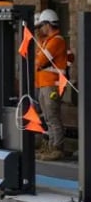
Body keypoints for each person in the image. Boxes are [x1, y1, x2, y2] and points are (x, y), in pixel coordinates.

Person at [34, 9, 70, 161]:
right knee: (48, 117)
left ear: (48, 25)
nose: (40, 29)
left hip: (51, 84)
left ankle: (58, 148)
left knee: (53, 117)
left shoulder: (56, 41)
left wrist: (37, 58)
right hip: (44, 83)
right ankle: (50, 146)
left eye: (41, 26)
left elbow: (39, 61)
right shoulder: (47, 41)